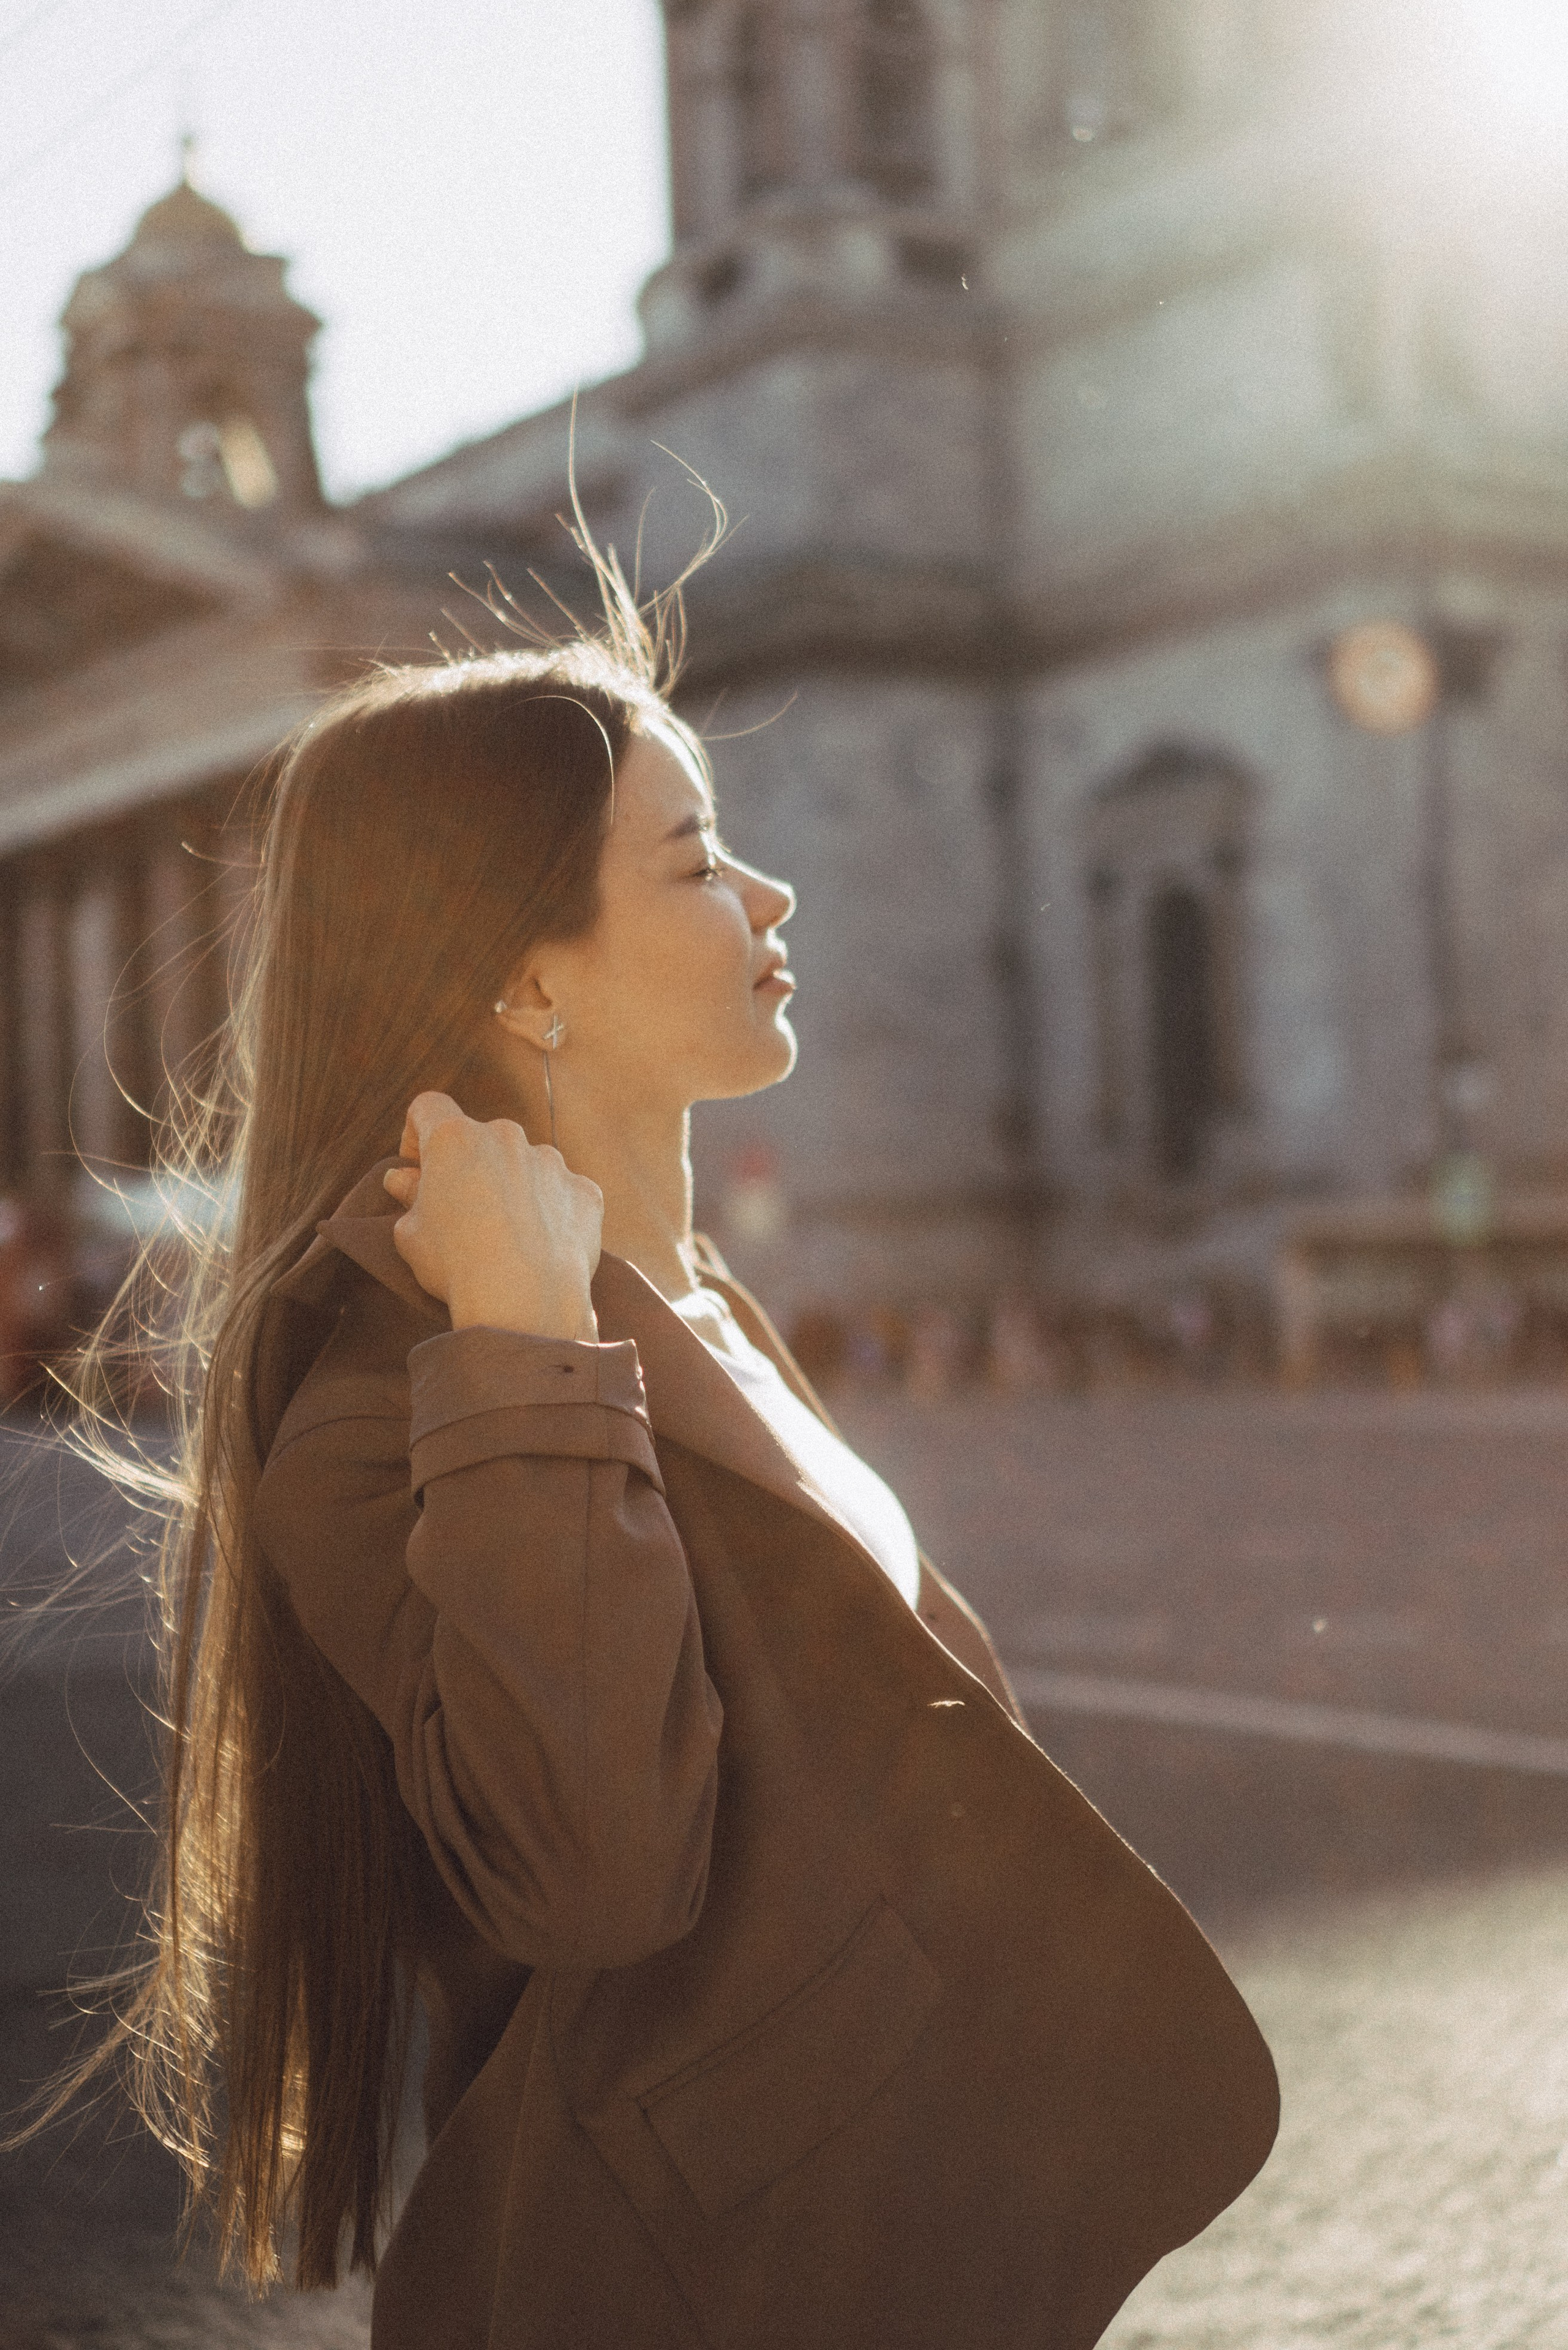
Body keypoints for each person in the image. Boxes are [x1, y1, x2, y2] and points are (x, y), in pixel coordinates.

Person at [32, 565, 1276, 2347]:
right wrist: (521, 1344)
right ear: (523, 979)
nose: (771, 893)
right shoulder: (387, 1405)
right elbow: (596, 1870)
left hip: (898, 2246)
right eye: (694, 862)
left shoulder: (688, 1296)